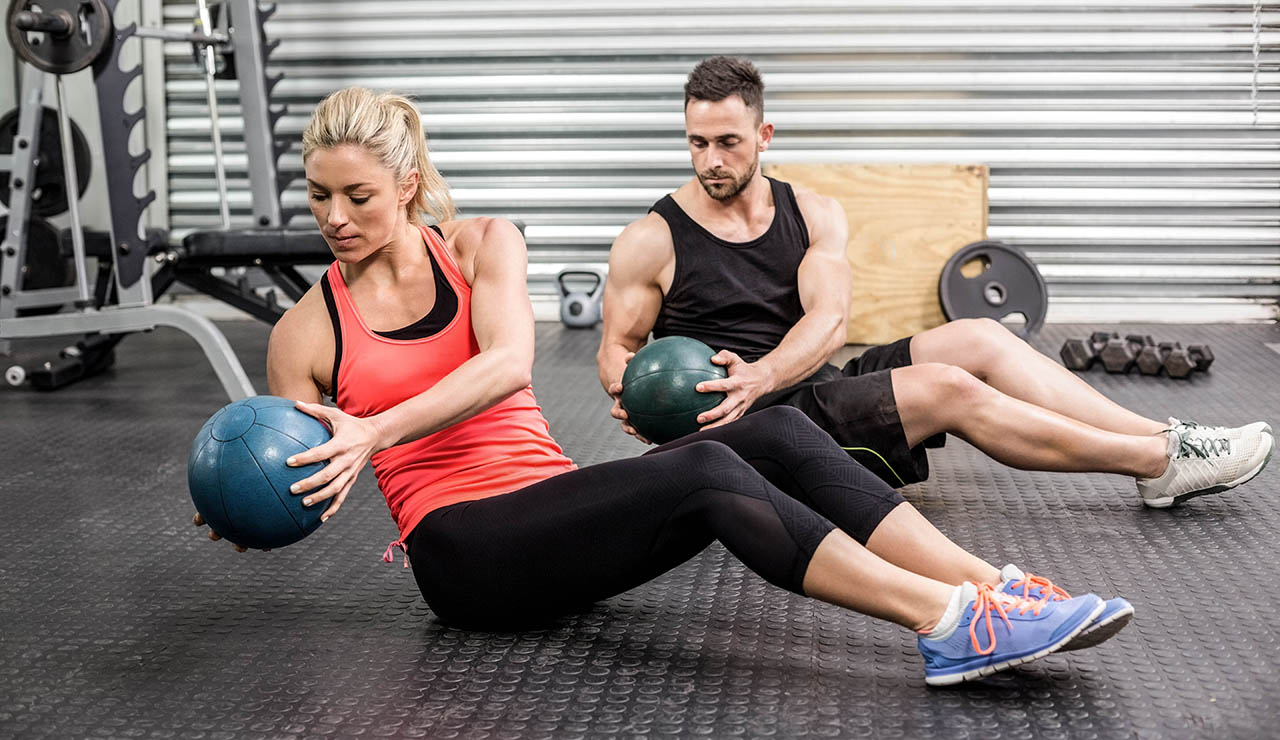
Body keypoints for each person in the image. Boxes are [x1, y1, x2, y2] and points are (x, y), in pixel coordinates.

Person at [192, 87, 1131, 687]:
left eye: (357, 195)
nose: (335, 217)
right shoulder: (307, 330)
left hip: (553, 508)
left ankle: (995, 589)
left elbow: (508, 364)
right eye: (319, 196)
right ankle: (947, 624)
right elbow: (308, 468)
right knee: (701, 474)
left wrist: (372, 426)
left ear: (405, 183)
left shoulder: (482, 247)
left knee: (767, 434)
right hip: (465, 552)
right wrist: (251, 498)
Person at [597, 56, 1273, 509]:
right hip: (753, 431)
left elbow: (829, 321)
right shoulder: (651, 238)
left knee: (978, 337)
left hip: (806, 388)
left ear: (764, 133)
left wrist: (761, 373)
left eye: (728, 142)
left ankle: (1169, 439)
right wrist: (630, 389)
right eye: (696, 142)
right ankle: (1155, 461)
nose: (710, 160)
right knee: (949, 389)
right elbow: (616, 346)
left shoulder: (812, 213)